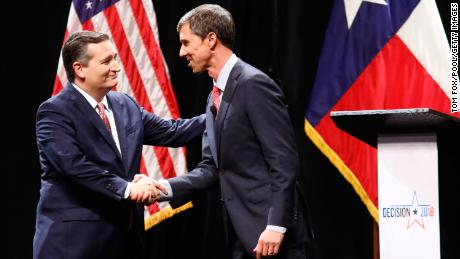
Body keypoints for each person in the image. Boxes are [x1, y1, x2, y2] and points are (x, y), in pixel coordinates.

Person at [150, 4, 312, 259]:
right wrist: (163, 188)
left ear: (211, 39)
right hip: (241, 234)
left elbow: (283, 160)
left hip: (273, 237)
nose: (181, 52)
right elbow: (212, 168)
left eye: (186, 42)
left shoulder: (253, 84)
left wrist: (276, 225)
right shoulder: (214, 96)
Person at [33, 31, 205, 259]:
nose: (116, 66)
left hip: (125, 241)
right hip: (73, 244)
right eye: (106, 61)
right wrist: (128, 188)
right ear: (79, 69)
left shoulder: (124, 104)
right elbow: (74, 166)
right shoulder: (54, 112)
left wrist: (221, 111)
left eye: (115, 58)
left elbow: (173, 132)